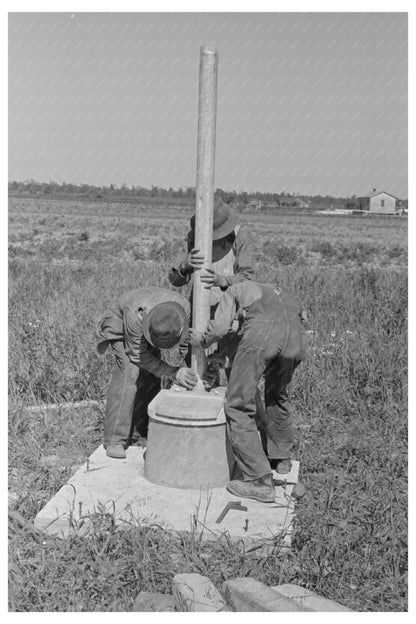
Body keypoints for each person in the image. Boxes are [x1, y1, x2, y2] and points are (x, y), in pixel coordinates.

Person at [189, 281, 309, 503]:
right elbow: (289, 330)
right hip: (298, 340)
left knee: (238, 405)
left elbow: (221, 328)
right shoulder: (282, 292)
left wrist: (202, 341)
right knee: (277, 396)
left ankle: (258, 480)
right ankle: (280, 458)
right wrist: (231, 359)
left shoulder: (235, 290)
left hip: (263, 336)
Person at [97, 287, 198, 459]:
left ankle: (140, 433)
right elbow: (138, 355)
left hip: (152, 328)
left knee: (151, 378)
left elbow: (186, 343)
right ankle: (115, 439)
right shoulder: (135, 316)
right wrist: (173, 372)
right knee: (129, 374)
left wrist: (192, 370)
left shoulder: (184, 310)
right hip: (122, 327)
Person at [169, 197, 256, 315]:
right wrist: (184, 267)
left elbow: (249, 279)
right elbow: (174, 280)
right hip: (197, 315)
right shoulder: (193, 236)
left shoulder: (241, 236)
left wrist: (224, 281)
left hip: (230, 318)